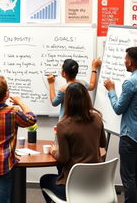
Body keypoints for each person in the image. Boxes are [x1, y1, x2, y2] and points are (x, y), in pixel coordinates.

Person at [40, 82, 107, 202]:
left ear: (68, 101)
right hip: (95, 185)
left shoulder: (63, 125)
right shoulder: (97, 118)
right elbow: (103, 144)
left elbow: (63, 159)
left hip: (73, 188)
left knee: (45, 179)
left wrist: (53, 151)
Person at [0, 75, 37, 203]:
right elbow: (32, 119)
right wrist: (20, 102)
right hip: (4, 163)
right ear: (6, 94)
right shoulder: (13, 112)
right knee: (3, 199)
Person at [104, 47, 137, 203]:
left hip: (130, 136)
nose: (124, 60)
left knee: (129, 177)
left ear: (130, 61)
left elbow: (118, 108)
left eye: (125, 58)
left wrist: (111, 90)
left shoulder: (130, 82)